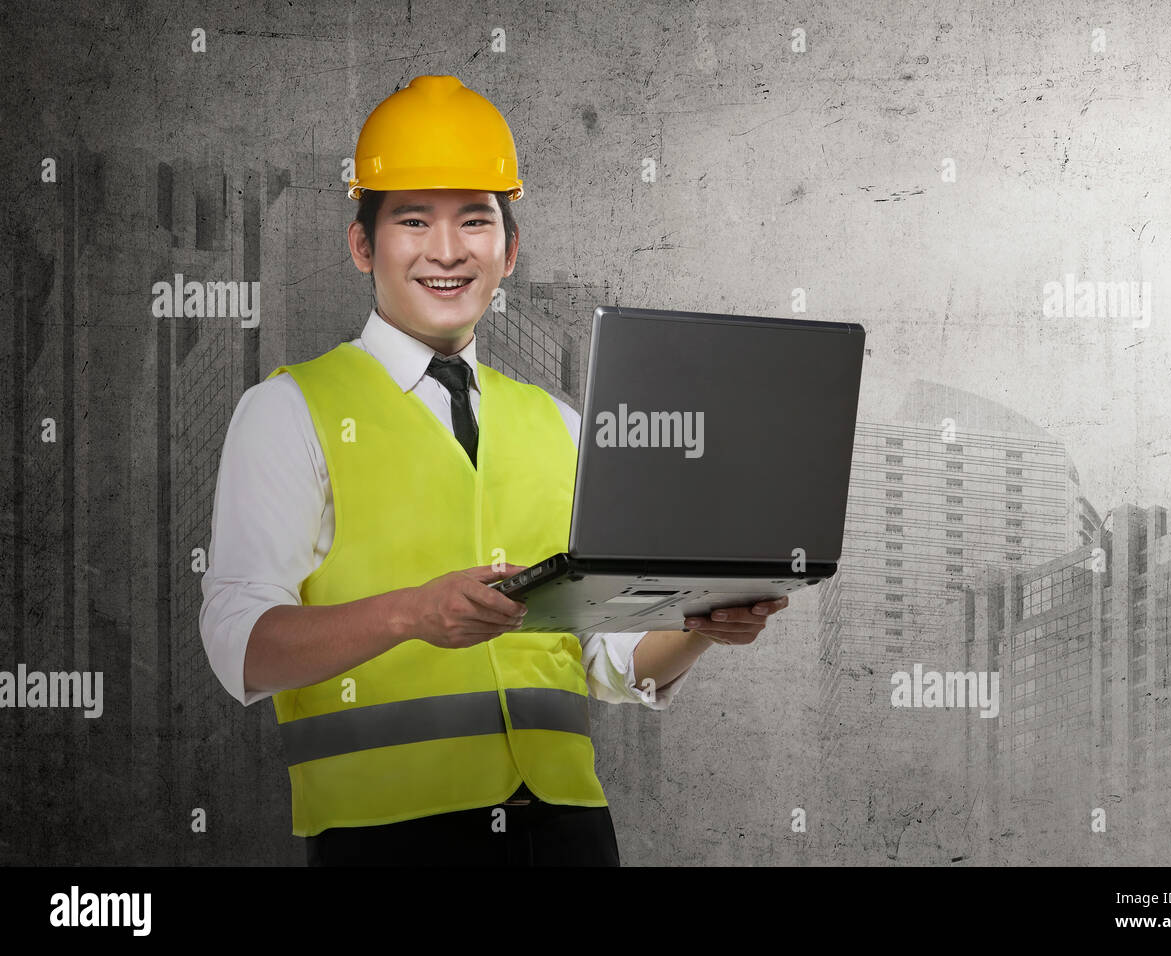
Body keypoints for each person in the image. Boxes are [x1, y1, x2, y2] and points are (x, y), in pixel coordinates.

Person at [199, 75, 788, 867]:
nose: (447, 251)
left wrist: (698, 625)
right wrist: (410, 614)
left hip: (571, 836)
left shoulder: (561, 424)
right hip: (386, 843)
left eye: (474, 221)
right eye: (414, 220)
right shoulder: (288, 412)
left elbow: (605, 660)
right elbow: (240, 645)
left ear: (508, 251)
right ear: (362, 244)